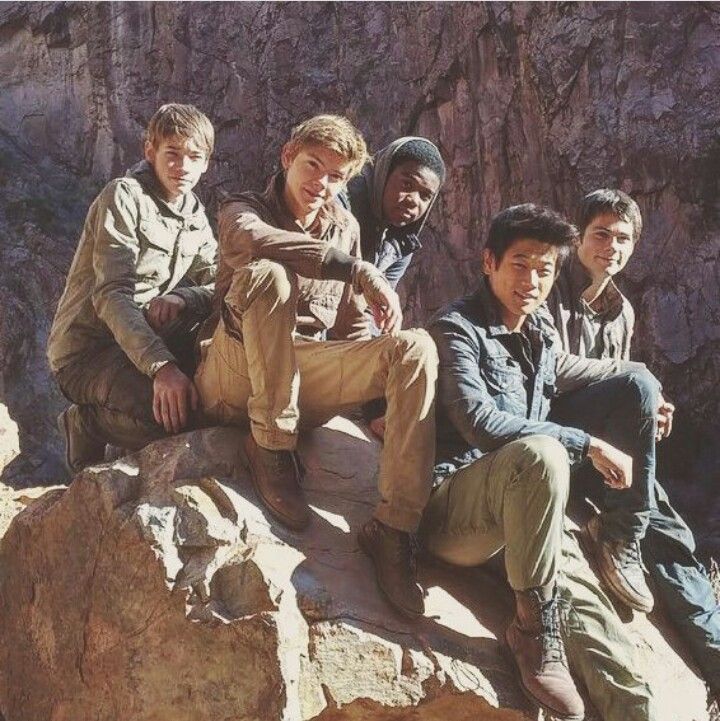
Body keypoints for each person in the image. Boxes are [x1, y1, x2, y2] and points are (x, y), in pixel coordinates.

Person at [193, 115, 438, 618]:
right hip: (233, 371)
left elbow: (349, 331)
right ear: (287, 157)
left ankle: (393, 530)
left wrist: (376, 392)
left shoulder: (344, 228)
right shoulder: (241, 209)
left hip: (301, 373)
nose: (319, 183)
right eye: (312, 165)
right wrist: (357, 269)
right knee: (270, 277)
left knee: (416, 348)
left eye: (335, 176)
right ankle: (271, 448)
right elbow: (257, 243)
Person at [424, 203, 661, 720]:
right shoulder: (456, 328)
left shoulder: (541, 335)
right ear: (489, 262)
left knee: (619, 669)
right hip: (455, 513)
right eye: (520, 263)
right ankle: (532, 632)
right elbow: (479, 421)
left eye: (545, 269)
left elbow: (594, 371)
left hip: (528, 520)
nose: (532, 280)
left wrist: (647, 386)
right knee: (544, 451)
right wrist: (588, 444)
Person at [548, 188, 720, 699]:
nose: (611, 246)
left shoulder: (621, 311)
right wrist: (634, 380)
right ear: (577, 235)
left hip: (612, 448)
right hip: (559, 435)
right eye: (601, 233)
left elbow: (621, 390)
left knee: (672, 536)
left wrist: (649, 412)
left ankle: (715, 656)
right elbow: (552, 370)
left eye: (623, 238)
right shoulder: (548, 281)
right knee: (639, 384)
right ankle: (617, 534)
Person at [48, 103, 217, 473]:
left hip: (141, 340)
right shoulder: (123, 197)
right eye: (172, 153)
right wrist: (163, 369)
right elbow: (111, 294)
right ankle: (85, 423)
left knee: (211, 394)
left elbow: (219, 283)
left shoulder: (193, 213)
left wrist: (183, 296)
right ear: (150, 151)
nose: (182, 166)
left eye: (194, 156)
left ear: (206, 163)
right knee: (171, 420)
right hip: (87, 352)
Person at [341, 136, 445, 438]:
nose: (414, 201)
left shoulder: (402, 241)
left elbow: (378, 315)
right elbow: (341, 298)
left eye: (426, 196)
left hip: (353, 334)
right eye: (407, 184)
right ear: (384, 173)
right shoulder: (342, 208)